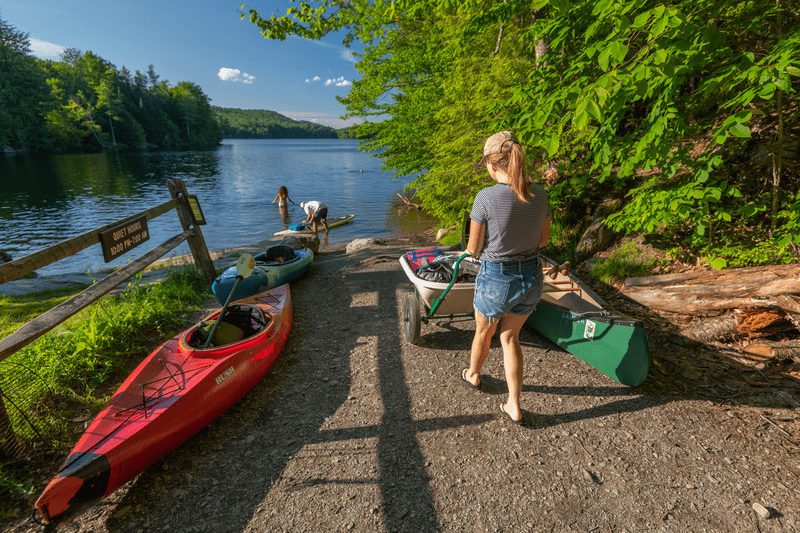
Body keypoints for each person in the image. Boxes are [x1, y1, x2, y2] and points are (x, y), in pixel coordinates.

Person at [460, 131, 551, 425]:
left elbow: (474, 249)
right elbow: (544, 241)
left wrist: (471, 250)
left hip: (497, 277)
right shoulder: (541, 194)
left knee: (484, 332)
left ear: (491, 163)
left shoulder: (485, 196)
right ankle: (513, 404)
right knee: (511, 337)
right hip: (531, 275)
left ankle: (473, 375)